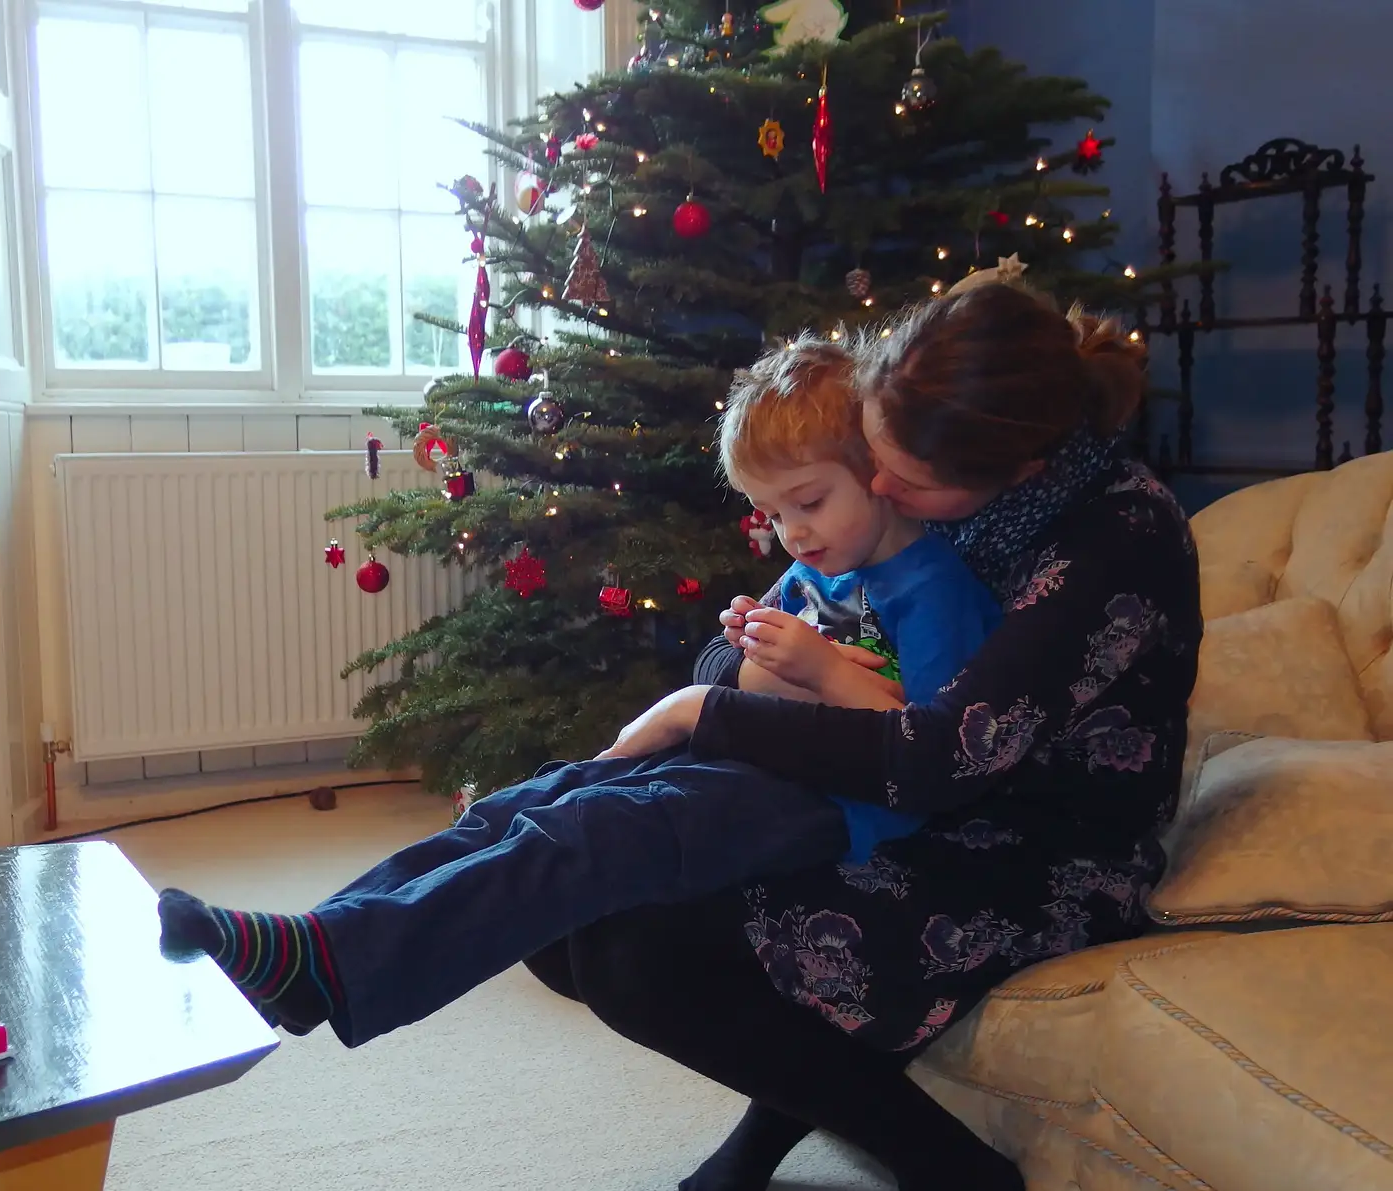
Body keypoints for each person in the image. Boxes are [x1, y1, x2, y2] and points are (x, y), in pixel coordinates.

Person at [524, 274, 1203, 1191]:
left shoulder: (1116, 537)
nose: (877, 489)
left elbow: (937, 759)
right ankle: (779, 1119)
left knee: (633, 947)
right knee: (559, 885)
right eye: (874, 461)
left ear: (1017, 472)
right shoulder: (927, 492)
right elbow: (727, 658)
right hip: (876, 797)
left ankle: (953, 1170)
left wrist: (711, 713)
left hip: (1038, 850)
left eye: (905, 480)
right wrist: (754, 677)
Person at [155, 336, 1001, 1048]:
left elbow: (928, 750)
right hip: (745, 759)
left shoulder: (933, 588)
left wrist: (815, 670)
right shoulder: (814, 567)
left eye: (809, 501)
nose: (793, 533)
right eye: (773, 514)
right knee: (532, 800)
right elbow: (730, 673)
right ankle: (316, 943)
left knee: (593, 832)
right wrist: (755, 651)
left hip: (838, 807)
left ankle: (331, 967)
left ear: (879, 475)